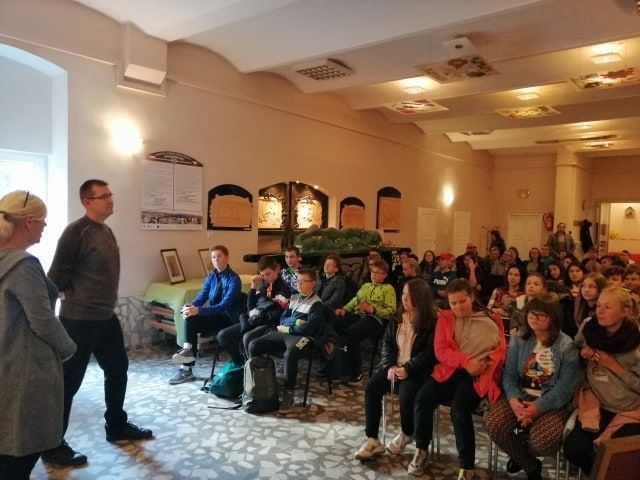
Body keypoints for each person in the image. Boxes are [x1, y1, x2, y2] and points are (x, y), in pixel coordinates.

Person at [44, 180, 152, 467]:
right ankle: (52, 445)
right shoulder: (75, 233)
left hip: (105, 317)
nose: (110, 200)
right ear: (86, 201)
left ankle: (116, 425)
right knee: (68, 383)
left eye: (110, 195)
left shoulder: (105, 231)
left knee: (117, 370)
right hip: (78, 320)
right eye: (103, 196)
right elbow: (56, 277)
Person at [0, 191, 76, 480]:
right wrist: (68, 349)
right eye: (43, 221)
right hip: (25, 368)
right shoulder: (23, 264)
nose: (45, 226)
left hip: (4, 362)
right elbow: (43, 322)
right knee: (20, 453)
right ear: (29, 221)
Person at [409, 279, 506, 479]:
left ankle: (467, 466)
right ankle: (421, 449)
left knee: (459, 410)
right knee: (422, 399)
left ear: (471, 297)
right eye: (453, 303)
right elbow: (441, 350)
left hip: (476, 375)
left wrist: (484, 365)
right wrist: (466, 361)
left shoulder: (492, 318)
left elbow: (500, 350)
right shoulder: (445, 318)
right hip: (449, 370)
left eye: (462, 301)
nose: (458, 307)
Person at [485, 294, 579, 480]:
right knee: (494, 424)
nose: (534, 318)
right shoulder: (520, 339)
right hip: (521, 395)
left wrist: (537, 408)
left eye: (541, 315)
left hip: (551, 401)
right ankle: (530, 464)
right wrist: (514, 400)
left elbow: (565, 388)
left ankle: (520, 455)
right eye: (531, 313)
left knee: (544, 441)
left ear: (553, 318)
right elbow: (509, 375)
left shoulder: (566, 345)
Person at [354, 278, 438, 461]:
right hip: (394, 365)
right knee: (372, 387)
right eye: (403, 294)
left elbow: (429, 352)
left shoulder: (431, 322)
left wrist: (408, 368)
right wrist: (389, 364)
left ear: (420, 297)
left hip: (416, 370)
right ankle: (372, 438)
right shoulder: (398, 317)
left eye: (409, 295)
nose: (404, 298)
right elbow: (387, 342)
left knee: (407, 393)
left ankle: (407, 433)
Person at [564, 288, 640, 476]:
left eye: (607, 307)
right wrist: (581, 355)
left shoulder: (635, 340)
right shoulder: (588, 328)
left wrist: (615, 367)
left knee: (616, 457)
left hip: (628, 409)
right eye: (598, 306)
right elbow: (572, 355)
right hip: (595, 403)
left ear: (624, 311)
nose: (600, 311)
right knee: (574, 449)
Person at [248, 268, 325, 413]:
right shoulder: (294, 298)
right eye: (298, 281)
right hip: (285, 331)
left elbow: (309, 328)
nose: (299, 284)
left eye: (303, 281)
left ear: (313, 283)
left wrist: (290, 328)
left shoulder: (317, 304)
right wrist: (296, 322)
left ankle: (289, 392)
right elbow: (283, 318)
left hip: (304, 338)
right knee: (254, 344)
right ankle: (262, 384)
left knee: (290, 354)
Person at [170, 244, 242, 383]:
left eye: (219, 256)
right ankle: (186, 364)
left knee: (194, 315)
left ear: (227, 257)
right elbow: (201, 298)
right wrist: (190, 306)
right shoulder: (211, 277)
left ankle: (186, 358)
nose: (216, 259)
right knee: (190, 318)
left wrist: (198, 310)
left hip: (228, 319)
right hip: (215, 316)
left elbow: (223, 306)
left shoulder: (234, 279)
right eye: (213, 257)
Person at [217, 255, 290, 367]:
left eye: (268, 274)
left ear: (277, 269)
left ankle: (253, 369)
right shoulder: (263, 285)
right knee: (223, 335)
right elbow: (250, 307)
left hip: (270, 324)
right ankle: (240, 364)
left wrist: (260, 314)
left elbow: (279, 314)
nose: (265, 277)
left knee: (248, 337)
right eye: (262, 275)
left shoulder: (283, 289)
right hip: (256, 320)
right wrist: (253, 287)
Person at [335, 259, 396, 384]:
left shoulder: (388, 289)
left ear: (384, 275)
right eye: (373, 272)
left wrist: (373, 309)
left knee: (353, 331)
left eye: (378, 272)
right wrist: (344, 309)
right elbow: (355, 300)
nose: (374, 274)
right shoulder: (366, 286)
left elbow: (391, 311)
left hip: (375, 319)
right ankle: (340, 366)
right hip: (360, 315)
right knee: (337, 323)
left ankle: (356, 372)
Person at [564, 272, 607, 338]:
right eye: (584, 285)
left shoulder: (605, 309)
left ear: (601, 289)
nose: (586, 290)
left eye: (591, 287)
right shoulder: (572, 305)